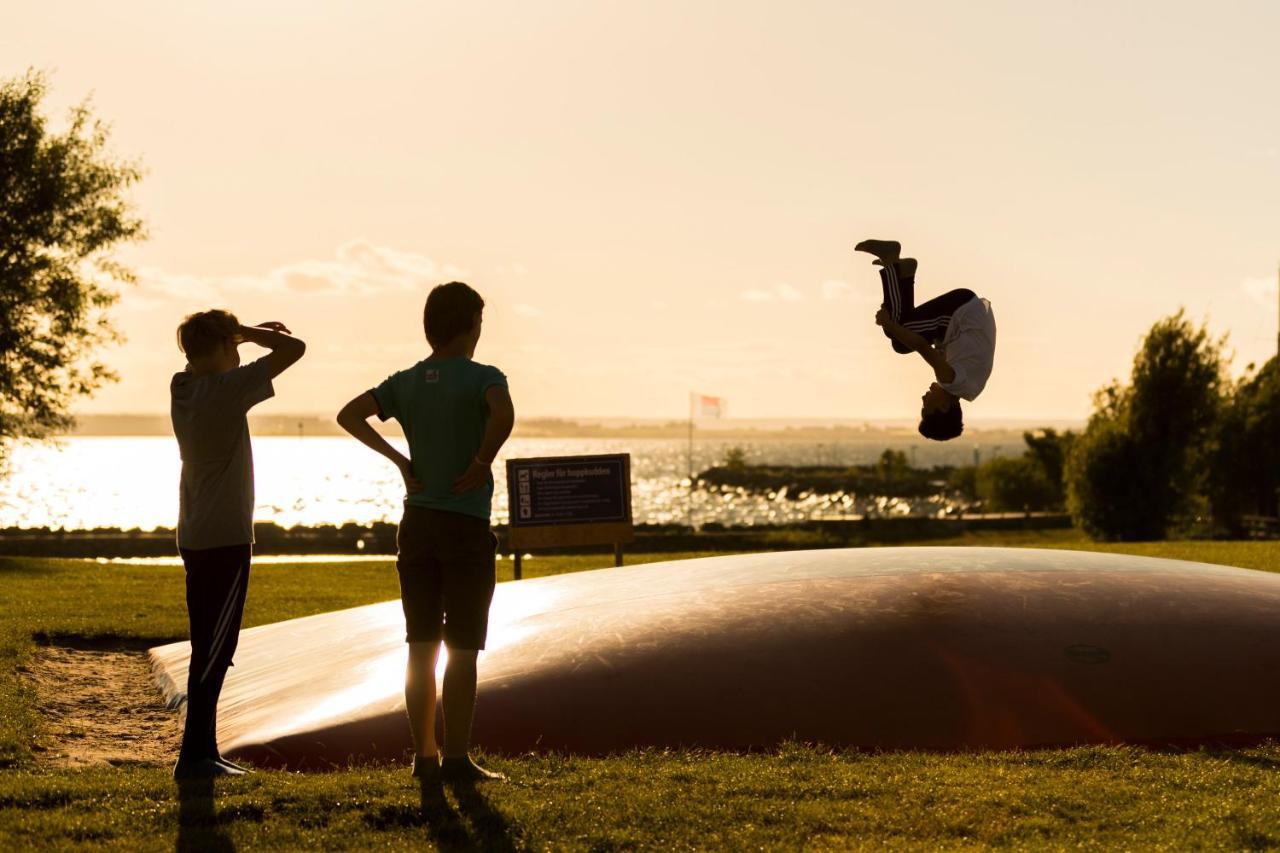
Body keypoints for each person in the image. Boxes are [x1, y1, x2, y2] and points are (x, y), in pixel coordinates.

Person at [336, 281, 515, 784]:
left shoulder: (407, 381)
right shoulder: (484, 376)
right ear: (472, 325)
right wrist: (482, 461)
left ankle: (424, 758)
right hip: (464, 526)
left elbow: (349, 414)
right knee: (461, 648)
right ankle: (457, 758)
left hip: (416, 523)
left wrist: (398, 459)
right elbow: (503, 414)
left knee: (420, 644)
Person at [169, 310, 306, 779]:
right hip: (226, 537)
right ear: (225, 346)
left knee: (207, 643)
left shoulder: (182, 388)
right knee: (216, 648)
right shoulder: (227, 392)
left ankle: (202, 751)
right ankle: (195, 756)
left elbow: (205, 363)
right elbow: (295, 349)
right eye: (232, 346)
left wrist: (234, 340)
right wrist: (247, 333)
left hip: (195, 533)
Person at [854, 239, 997, 440]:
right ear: (944, 407)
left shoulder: (968, 388)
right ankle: (890, 261)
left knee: (901, 338)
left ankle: (904, 272)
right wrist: (887, 323)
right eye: (926, 407)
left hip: (962, 313)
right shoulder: (951, 381)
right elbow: (922, 346)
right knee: (897, 335)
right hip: (960, 310)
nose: (923, 399)